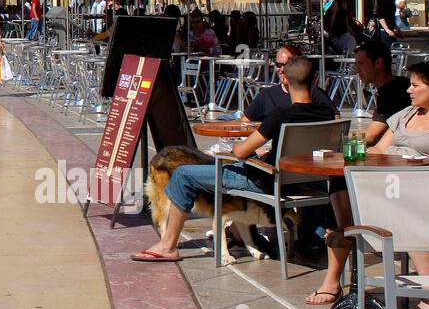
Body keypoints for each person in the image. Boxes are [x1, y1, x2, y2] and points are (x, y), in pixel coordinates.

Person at [134, 55, 335, 262]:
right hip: (303, 182)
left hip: (265, 182)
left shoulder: (280, 115)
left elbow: (241, 151)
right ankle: (242, 236)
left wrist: (244, 153)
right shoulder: (327, 112)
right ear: (315, 80)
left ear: (285, 80)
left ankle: (168, 246)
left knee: (183, 174)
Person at [365, 57, 429, 309]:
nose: (408, 90)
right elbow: (379, 149)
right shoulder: (406, 115)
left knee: (409, 211)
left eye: (414, 85)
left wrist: (426, 163)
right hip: (394, 185)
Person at [245, 43, 336, 121]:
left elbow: (336, 119)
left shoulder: (314, 93)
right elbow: (244, 121)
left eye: (287, 65)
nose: (281, 70)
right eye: (278, 65)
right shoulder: (266, 95)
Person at [354, 39, 411, 146]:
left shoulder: (393, 92)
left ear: (378, 63)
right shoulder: (398, 84)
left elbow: (370, 136)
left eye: (361, 64)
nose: (356, 70)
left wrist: (338, 138)